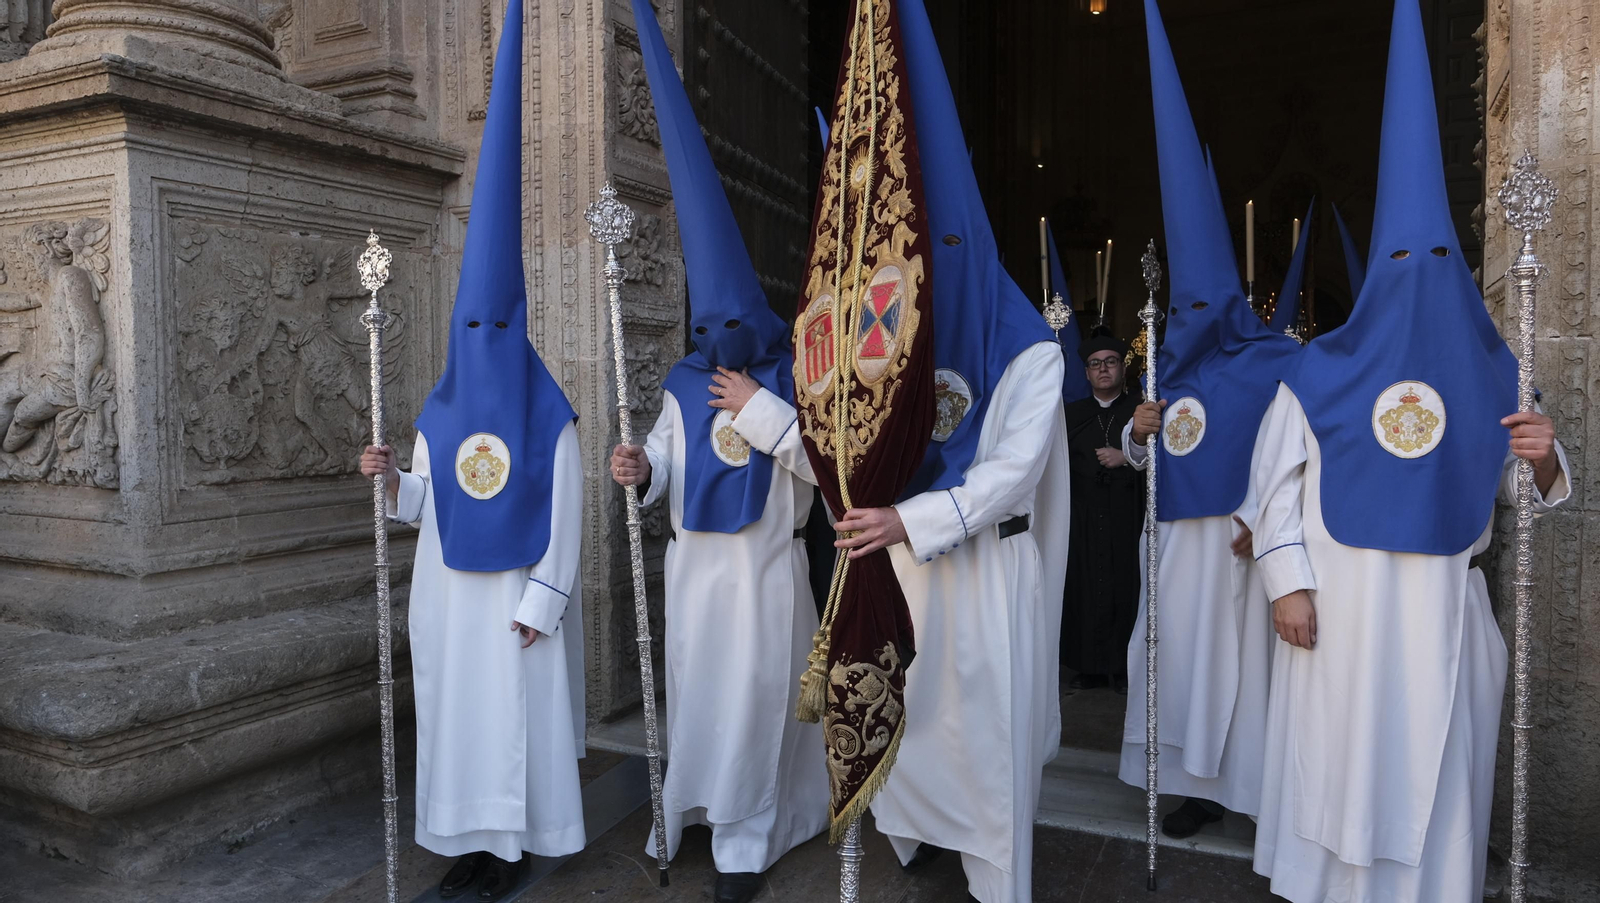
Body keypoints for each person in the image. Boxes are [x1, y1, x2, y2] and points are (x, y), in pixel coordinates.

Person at [1249, 3, 1571, 900]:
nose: (1418, 272)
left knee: (1435, 780)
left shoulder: (1492, 369)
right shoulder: (1317, 370)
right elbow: (1273, 486)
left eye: (1437, 254)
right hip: (1339, 615)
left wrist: (1543, 455)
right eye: (1402, 254)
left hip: (1440, 616)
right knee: (1336, 759)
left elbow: (1525, 488)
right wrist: (1289, 584)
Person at [839, 2, 1070, 900]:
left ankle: (996, 882)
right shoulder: (898, 337)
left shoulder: (1032, 350)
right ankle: (914, 848)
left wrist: (911, 513)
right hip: (903, 574)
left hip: (984, 581)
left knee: (986, 752)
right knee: (911, 735)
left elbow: (1013, 472)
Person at [358, 2, 586, 900]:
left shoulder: (551, 413)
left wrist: (546, 597)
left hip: (513, 604)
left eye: (497, 325)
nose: (483, 337)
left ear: (517, 327)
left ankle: (515, 845)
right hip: (452, 599)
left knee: (515, 725)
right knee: (462, 726)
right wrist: (389, 482)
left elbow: (564, 513)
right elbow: (426, 499)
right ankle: (467, 841)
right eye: (472, 325)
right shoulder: (439, 409)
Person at [608, 4, 827, 902]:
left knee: (753, 710)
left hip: (766, 577)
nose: (720, 344)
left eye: (733, 331)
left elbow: (825, 468)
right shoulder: (680, 382)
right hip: (694, 574)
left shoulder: (791, 377)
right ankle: (689, 815)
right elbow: (664, 456)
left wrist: (761, 406)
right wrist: (642, 468)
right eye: (710, 331)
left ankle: (747, 839)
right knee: (699, 704)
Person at [1116, 0, 1303, 840]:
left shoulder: (1277, 361)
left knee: (1247, 676)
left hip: (1237, 546)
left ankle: (1253, 794)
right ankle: (1186, 784)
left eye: (1204, 300)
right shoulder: (1165, 370)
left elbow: (1301, 454)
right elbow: (1135, 448)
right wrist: (1137, 429)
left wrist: (1262, 521)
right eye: (1180, 303)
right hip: (1172, 548)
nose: (1190, 313)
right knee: (1178, 666)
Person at [1059, 333, 1142, 693]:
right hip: (1084, 518)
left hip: (1128, 515)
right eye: (1095, 363)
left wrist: (1126, 457)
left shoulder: (1140, 409)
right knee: (1084, 586)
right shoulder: (1071, 414)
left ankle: (1125, 667)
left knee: (1128, 586)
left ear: (1122, 368)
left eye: (1110, 361)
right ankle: (1089, 667)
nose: (1103, 369)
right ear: (1087, 373)